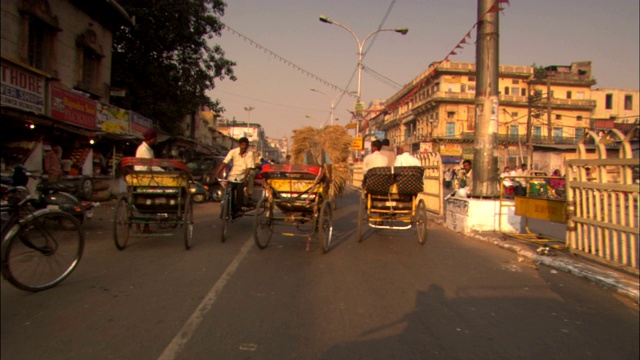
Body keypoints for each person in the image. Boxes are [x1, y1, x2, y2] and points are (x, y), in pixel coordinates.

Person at [215, 137, 255, 219]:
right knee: (230, 193)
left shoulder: (250, 154)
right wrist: (215, 174)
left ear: (247, 146)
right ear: (239, 145)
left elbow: (249, 168)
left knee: (240, 193)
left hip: (242, 177)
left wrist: (245, 178)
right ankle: (228, 210)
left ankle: (238, 210)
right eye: (242, 145)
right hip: (232, 176)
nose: (244, 147)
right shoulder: (233, 152)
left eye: (246, 145)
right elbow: (224, 163)